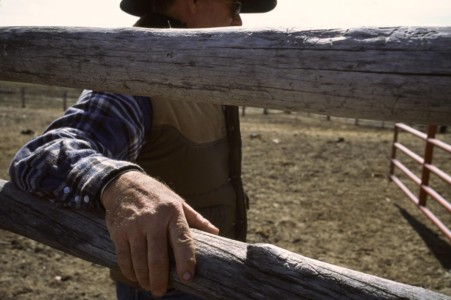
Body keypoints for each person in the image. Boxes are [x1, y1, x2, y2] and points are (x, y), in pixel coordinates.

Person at [9, 0, 277, 299]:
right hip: (166, 287)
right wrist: (119, 183)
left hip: (202, 276)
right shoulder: (138, 75)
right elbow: (45, 152)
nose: (238, 22)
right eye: (235, 6)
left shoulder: (193, 73)